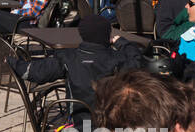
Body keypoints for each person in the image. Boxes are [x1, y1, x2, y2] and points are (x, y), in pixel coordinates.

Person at [10, 13, 143, 115]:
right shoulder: (116, 58)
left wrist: (12, 62)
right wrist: (122, 43)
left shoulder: (68, 57)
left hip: (78, 120)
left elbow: (35, 72)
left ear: (82, 35)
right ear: (107, 36)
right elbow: (137, 62)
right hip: (110, 120)